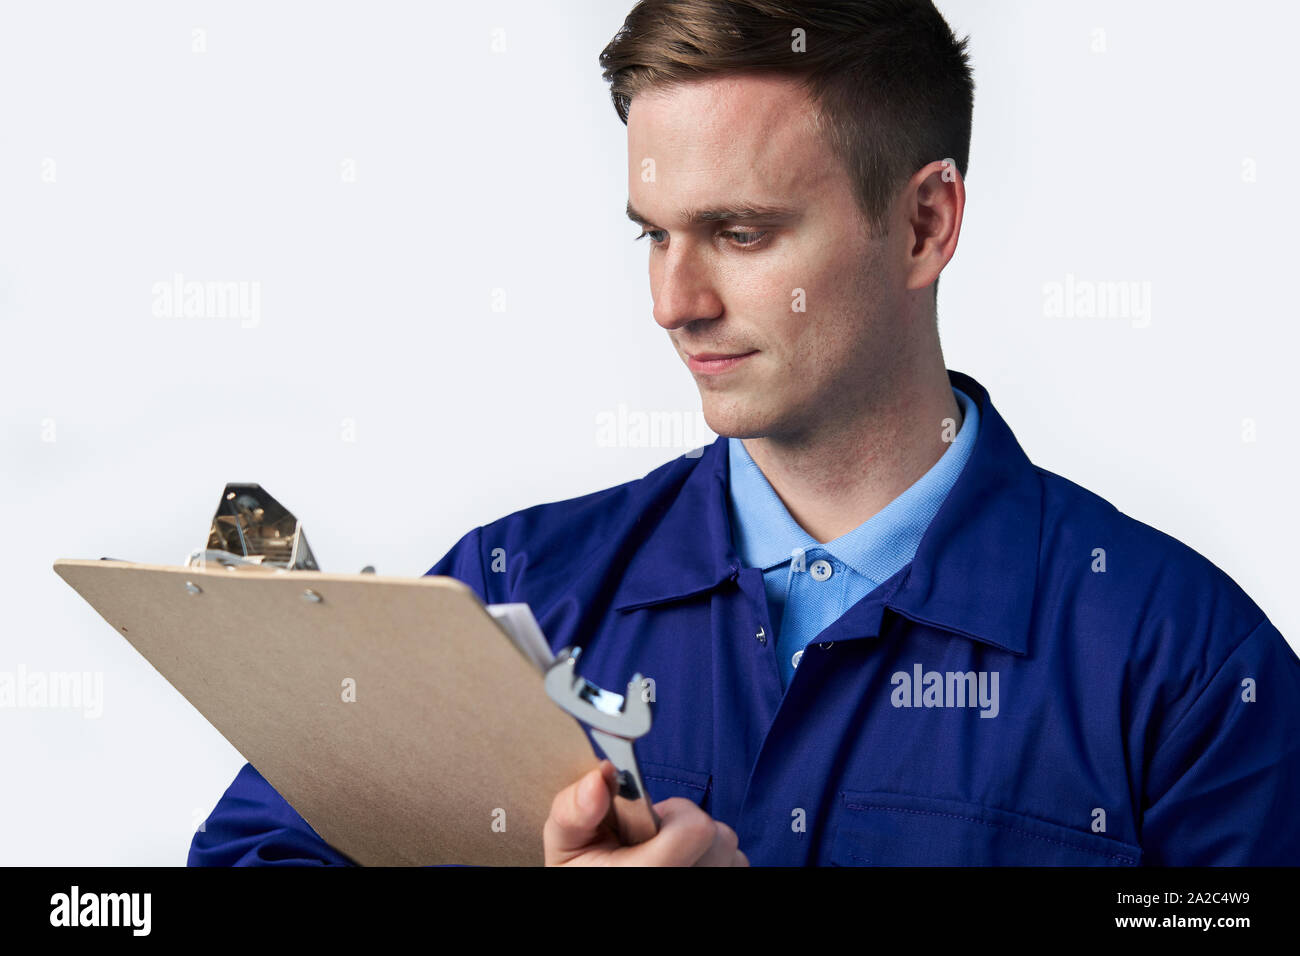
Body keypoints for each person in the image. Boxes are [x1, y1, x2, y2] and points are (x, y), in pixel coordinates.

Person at [189, 0, 1300, 867]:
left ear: (925, 223)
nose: (674, 301)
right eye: (654, 235)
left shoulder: (1188, 669)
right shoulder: (507, 590)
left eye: (738, 232)